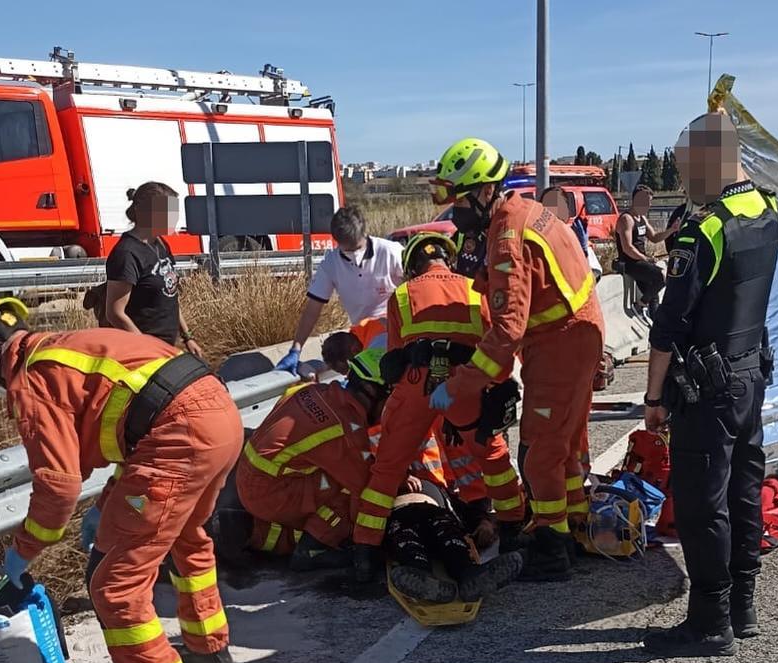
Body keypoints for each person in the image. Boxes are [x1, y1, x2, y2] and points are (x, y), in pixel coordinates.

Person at [0, 293, 242, 663]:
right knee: (187, 538)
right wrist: (103, 504)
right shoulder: (66, 348)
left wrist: (24, 550)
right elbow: (138, 427)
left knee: (114, 587)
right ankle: (210, 656)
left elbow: (58, 485)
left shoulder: (31, 380)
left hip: (179, 435)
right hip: (219, 417)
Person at [429, 137, 603, 582]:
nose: (454, 212)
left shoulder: (506, 236)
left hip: (560, 342)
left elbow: (508, 329)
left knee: (538, 452)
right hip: (577, 333)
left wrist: (461, 385)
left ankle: (552, 546)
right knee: (565, 441)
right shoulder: (522, 213)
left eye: (459, 200)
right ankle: (575, 523)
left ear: (486, 191)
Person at [642, 112, 778, 657]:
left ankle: (708, 623)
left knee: (703, 503)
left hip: (709, 386)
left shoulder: (709, 228)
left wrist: (653, 399)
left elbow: (669, 324)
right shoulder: (767, 212)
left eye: (686, 166)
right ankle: (743, 607)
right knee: (745, 492)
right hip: (751, 374)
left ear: (710, 161)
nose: (684, 176)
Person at [351, 232, 525, 567]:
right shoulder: (475, 292)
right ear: (449, 258)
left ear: (414, 266)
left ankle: (365, 554)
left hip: (417, 385)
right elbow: (499, 346)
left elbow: (392, 364)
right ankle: (514, 527)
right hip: (464, 383)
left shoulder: (402, 295)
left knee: (387, 469)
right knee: (493, 455)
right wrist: (495, 388)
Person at [237, 349, 391, 571]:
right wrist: (367, 543)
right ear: (371, 390)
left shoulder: (309, 390)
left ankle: (255, 532)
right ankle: (314, 549)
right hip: (270, 494)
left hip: (251, 477)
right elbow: (367, 489)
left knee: (336, 476)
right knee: (351, 488)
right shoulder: (344, 429)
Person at [276, 205, 404, 373]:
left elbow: (416, 289)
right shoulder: (331, 264)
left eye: (357, 248)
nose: (355, 254)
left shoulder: (391, 252)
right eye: (348, 250)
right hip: (361, 337)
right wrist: (296, 349)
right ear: (337, 242)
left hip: (397, 330)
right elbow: (313, 309)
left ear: (364, 233)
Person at [386, 478, 524, 603]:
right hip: (399, 513)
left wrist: (483, 520)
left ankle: (470, 574)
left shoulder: (438, 487)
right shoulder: (385, 480)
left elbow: (464, 505)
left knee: (450, 536)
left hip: (434, 510)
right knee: (407, 539)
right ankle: (420, 576)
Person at [105, 182, 203, 358]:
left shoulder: (160, 244)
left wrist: (187, 336)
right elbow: (115, 313)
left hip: (166, 349)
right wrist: (148, 350)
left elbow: (170, 294)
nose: (173, 219)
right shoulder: (126, 253)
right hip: (140, 355)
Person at [615, 185, 677, 320]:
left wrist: (671, 230)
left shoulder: (642, 218)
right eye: (647, 201)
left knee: (654, 296)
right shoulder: (627, 219)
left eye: (650, 201)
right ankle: (639, 304)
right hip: (630, 263)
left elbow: (654, 237)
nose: (649, 205)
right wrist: (646, 258)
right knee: (661, 276)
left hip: (641, 262)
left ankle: (655, 327)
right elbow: (627, 248)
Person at [539, 186, 604, 281]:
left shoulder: (576, 238)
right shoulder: (535, 239)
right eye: (548, 206)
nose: (554, 211)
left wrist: (582, 251)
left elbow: (594, 275)